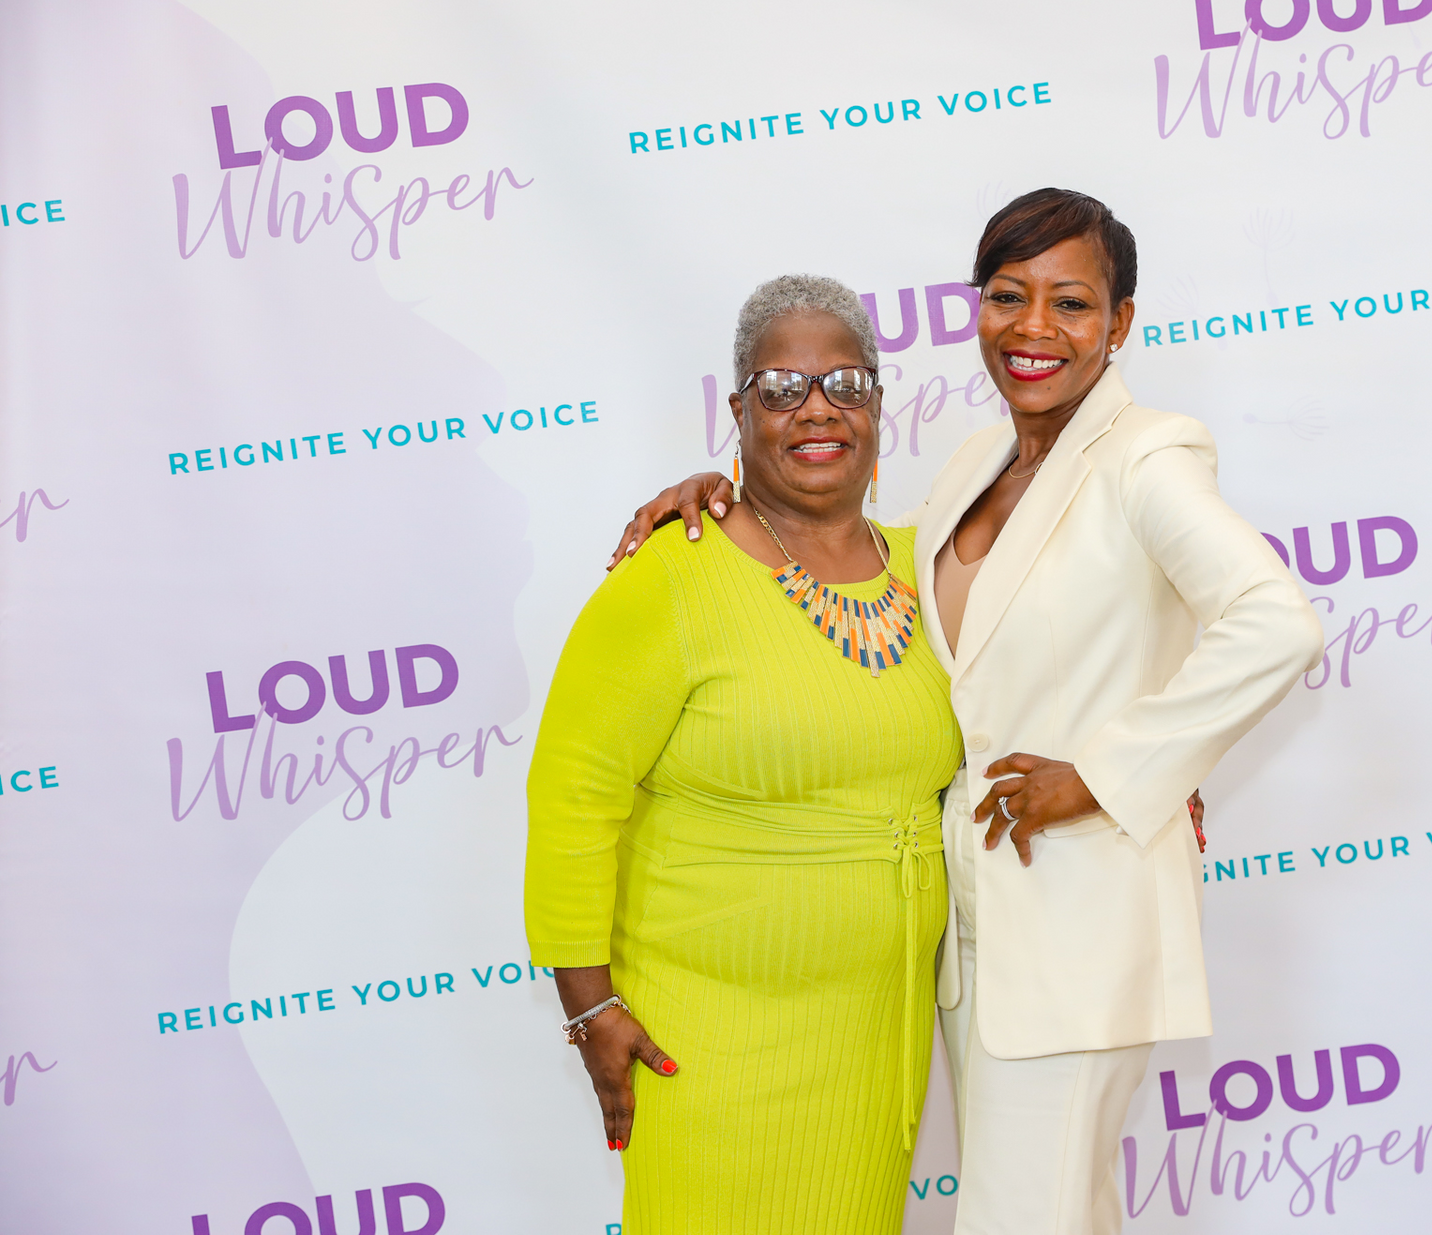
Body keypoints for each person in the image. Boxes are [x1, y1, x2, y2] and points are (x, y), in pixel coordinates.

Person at [612, 189, 1325, 1234]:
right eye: (1007, 295)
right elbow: (866, 572)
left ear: (1120, 322)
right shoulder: (976, 465)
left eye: (1071, 302)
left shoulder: (1147, 455)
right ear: (977, 308)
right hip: (977, 933)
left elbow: (1274, 623)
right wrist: (730, 495)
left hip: (1077, 927)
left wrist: (1109, 773)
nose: (1035, 327)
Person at [525, 274, 964, 1234]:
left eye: (845, 384)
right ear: (738, 413)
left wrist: (1142, 765)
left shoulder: (930, 570)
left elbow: (1069, 644)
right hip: (707, 1038)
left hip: (874, 1036)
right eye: (781, 388)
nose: (817, 408)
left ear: (878, 405)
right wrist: (590, 1009)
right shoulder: (672, 577)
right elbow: (572, 795)